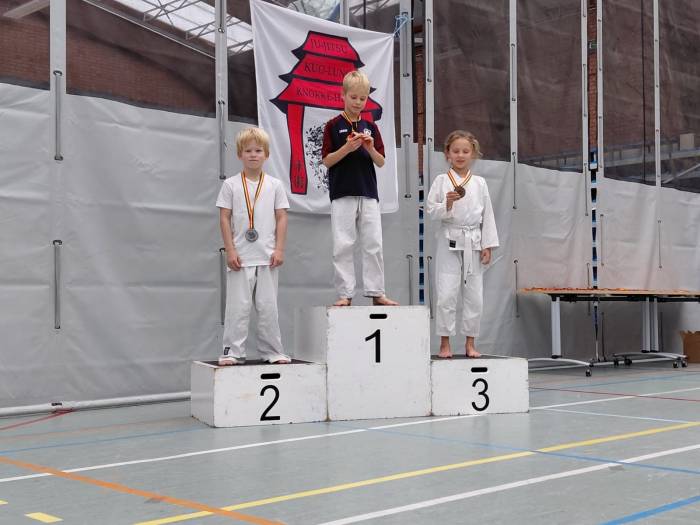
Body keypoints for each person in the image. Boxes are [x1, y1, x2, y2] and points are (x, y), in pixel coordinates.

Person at [321, 70, 398, 307]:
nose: (357, 102)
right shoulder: (333, 125)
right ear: (343, 95)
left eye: (362, 98)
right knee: (343, 244)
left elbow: (381, 161)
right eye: (353, 97)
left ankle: (376, 292)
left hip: (368, 192)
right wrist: (347, 148)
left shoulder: (370, 127)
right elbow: (327, 161)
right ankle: (345, 294)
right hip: (342, 192)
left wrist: (369, 147)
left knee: (373, 243)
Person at [216, 128, 291, 365]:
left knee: (268, 307)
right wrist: (230, 250)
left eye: (258, 150)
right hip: (240, 256)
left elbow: (282, 217)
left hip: (267, 256)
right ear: (239, 154)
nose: (253, 155)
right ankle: (232, 352)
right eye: (248, 151)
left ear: (266, 154)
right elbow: (224, 218)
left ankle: (273, 351)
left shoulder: (275, 185)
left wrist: (279, 249)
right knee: (238, 307)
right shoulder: (230, 185)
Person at [426, 130, 499, 358]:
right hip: (449, 239)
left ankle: (470, 343)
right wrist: (446, 204)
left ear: (473, 154)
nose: (460, 155)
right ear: (447, 154)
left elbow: (487, 215)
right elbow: (431, 211)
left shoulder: (479, 183)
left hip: (473, 241)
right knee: (446, 294)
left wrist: (487, 245)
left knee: (474, 296)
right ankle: (444, 343)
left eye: (465, 151)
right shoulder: (441, 181)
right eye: (456, 151)